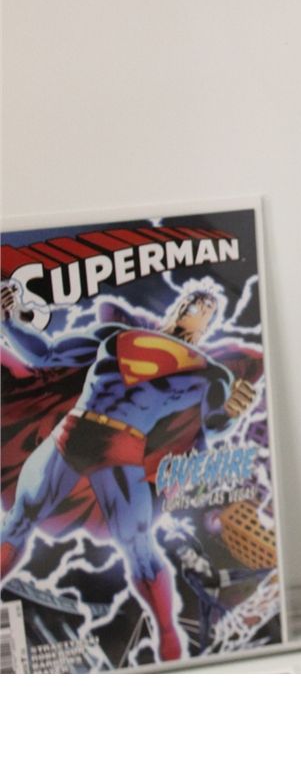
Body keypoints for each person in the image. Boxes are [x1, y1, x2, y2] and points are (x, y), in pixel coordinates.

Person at [0, 281, 256, 661]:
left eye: (207, 306)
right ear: (177, 304)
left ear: (210, 324)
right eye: (192, 299)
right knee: (19, 520)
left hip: (121, 449)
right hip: (73, 433)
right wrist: (8, 321)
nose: (197, 304)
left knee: (138, 547)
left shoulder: (211, 373)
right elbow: (46, 353)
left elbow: (212, 425)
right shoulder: (116, 335)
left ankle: (169, 639)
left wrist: (233, 413)